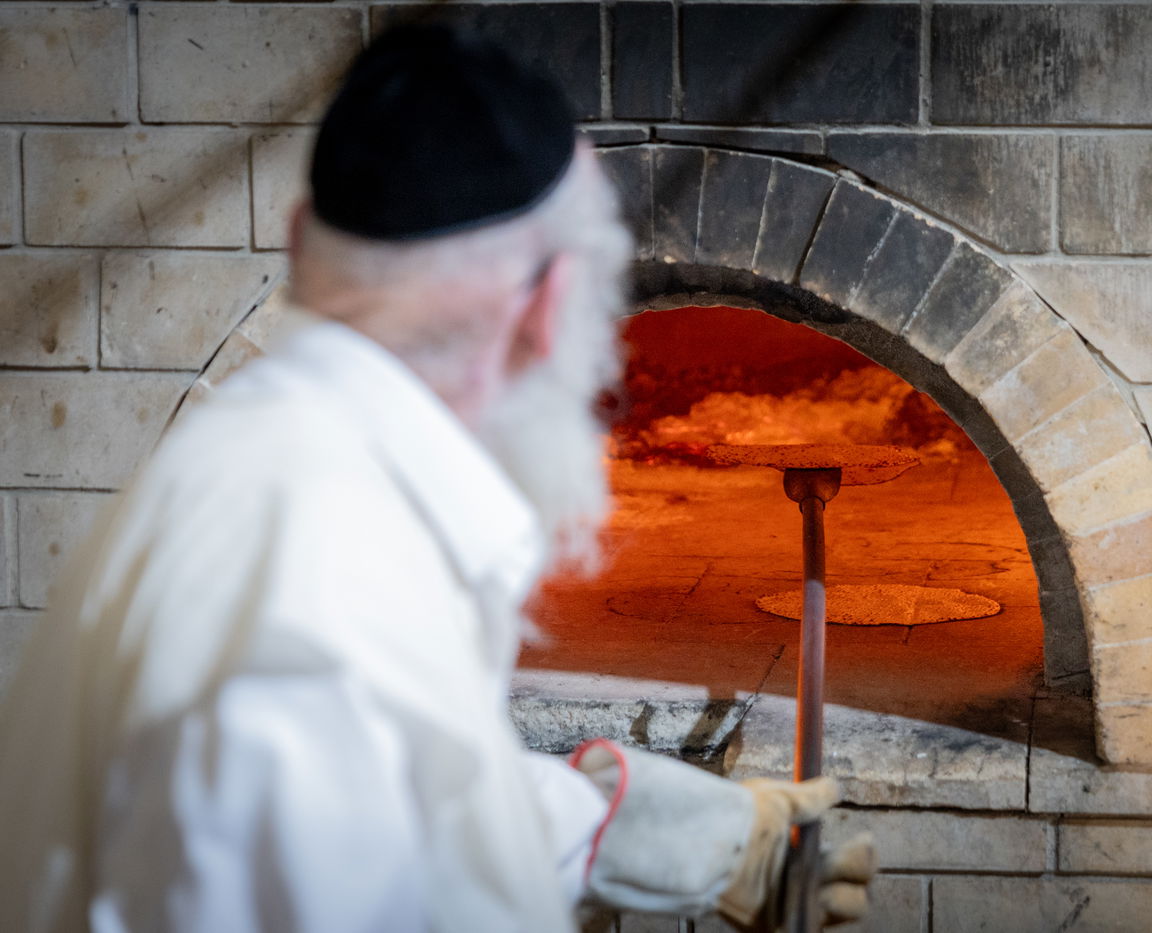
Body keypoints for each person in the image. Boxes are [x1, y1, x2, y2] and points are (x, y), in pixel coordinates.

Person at [0, 20, 873, 933]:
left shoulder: (268, 474)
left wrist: (671, 838)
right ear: (547, 308)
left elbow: (397, 811)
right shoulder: (313, 611)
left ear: (300, 243)